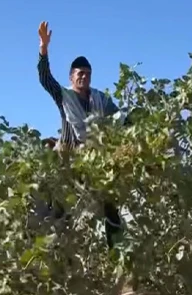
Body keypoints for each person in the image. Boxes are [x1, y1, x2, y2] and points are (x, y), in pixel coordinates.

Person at [35, 21, 123, 248]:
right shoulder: (63, 95)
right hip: (68, 158)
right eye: (80, 73)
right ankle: (56, 251)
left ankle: (116, 254)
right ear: (71, 77)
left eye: (87, 74)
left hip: (94, 158)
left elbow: (119, 118)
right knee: (60, 208)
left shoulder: (100, 99)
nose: (84, 77)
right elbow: (45, 79)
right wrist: (43, 49)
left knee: (110, 205)